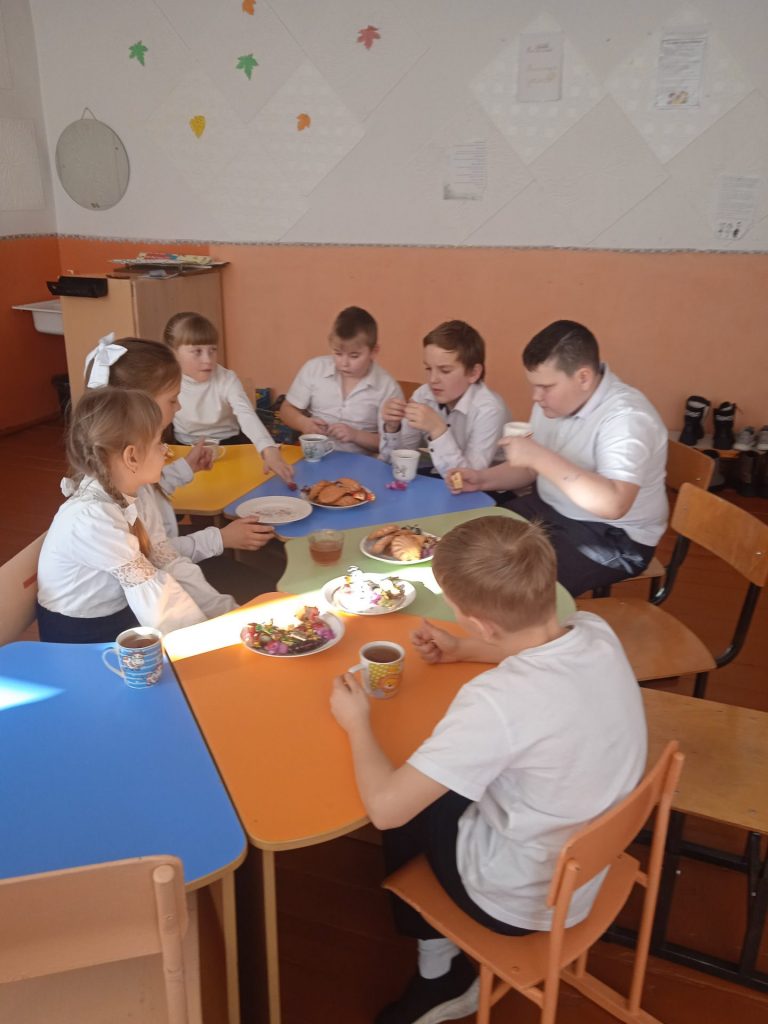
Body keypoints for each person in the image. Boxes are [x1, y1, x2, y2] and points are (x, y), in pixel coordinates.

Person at [330, 516, 647, 1024]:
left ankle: (439, 976)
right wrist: (464, 650)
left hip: (517, 902)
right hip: (588, 863)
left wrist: (356, 722)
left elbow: (386, 810)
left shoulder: (497, 701)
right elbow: (530, 648)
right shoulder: (594, 630)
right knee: (448, 775)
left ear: (479, 621)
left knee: (408, 803)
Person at [449, 321, 668, 596]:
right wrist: (482, 479)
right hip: (550, 509)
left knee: (511, 586)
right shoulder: (552, 402)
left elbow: (614, 504)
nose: (536, 397)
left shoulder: (627, 419)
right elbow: (530, 470)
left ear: (583, 378)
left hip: (613, 535)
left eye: (545, 387)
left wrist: (538, 457)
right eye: (534, 386)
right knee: (464, 544)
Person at [85, 334, 281, 602]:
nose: (179, 407)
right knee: (264, 589)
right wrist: (220, 539)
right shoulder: (111, 496)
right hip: (146, 589)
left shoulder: (122, 459)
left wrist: (187, 468)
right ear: (142, 405)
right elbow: (157, 556)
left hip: (162, 566)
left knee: (263, 585)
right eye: (172, 400)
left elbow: (151, 492)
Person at [36, 388, 237, 643]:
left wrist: (227, 615)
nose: (165, 451)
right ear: (131, 457)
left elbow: (170, 566)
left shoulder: (137, 494)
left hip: (122, 613)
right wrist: (207, 643)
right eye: (158, 443)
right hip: (80, 637)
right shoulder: (92, 519)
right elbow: (158, 599)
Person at [163, 312, 294, 485]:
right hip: (184, 448)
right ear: (173, 353)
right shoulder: (167, 381)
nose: (207, 359)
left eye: (212, 350)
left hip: (231, 446)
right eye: (197, 352)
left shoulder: (227, 379)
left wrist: (269, 449)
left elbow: (246, 414)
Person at [379, 320, 507, 481]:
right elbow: (397, 464)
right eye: (428, 368)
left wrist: (438, 430)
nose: (433, 379)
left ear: (473, 373)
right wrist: (393, 428)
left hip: (489, 488)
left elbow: (467, 481)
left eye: (445, 370)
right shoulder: (423, 396)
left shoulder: (489, 410)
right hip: (441, 473)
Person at [279, 306, 402, 454]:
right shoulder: (314, 368)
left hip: (361, 463)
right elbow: (286, 410)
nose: (344, 363)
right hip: (315, 457)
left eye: (354, 356)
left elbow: (392, 446)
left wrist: (355, 435)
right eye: (337, 353)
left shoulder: (387, 388)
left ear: (374, 351)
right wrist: (303, 423)